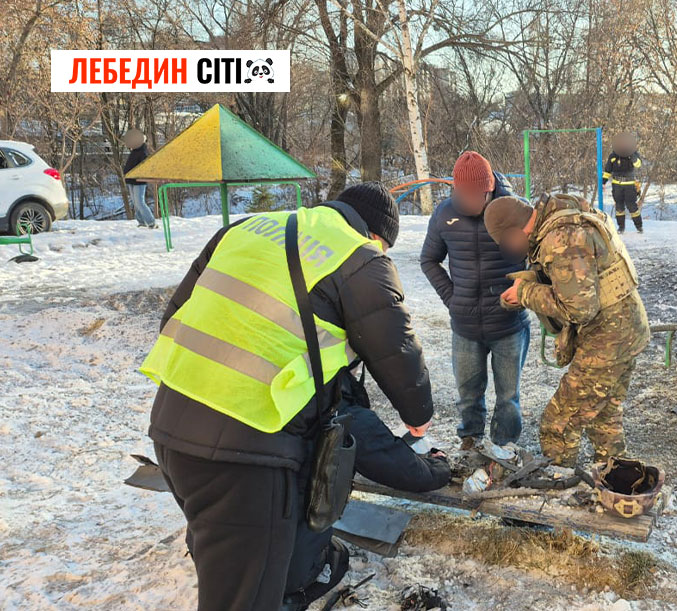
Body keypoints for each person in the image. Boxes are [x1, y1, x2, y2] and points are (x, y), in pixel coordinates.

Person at [140, 182, 449, 610]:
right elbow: (396, 346)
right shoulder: (359, 257)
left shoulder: (246, 228)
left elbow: (175, 316)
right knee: (248, 598)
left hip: (172, 425)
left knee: (226, 560)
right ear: (376, 236)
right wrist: (419, 416)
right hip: (247, 454)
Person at [483, 193, 651, 467]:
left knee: (558, 424)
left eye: (505, 243)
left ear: (514, 232)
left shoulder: (560, 239)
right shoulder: (566, 212)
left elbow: (579, 309)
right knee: (603, 416)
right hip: (624, 331)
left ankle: (559, 493)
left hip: (607, 340)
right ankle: (614, 485)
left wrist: (525, 293)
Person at [420, 152, 530, 451]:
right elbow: (429, 260)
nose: (468, 202)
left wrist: (525, 283)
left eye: (475, 195)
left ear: (490, 186)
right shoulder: (444, 214)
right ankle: (470, 441)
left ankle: (504, 448)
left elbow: (540, 259)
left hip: (508, 323)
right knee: (468, 393)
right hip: (465, 326)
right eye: (462, 194)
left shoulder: (516, 211)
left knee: (508, 397)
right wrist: (453, 299)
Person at [602, 132, 644, 234]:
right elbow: (608, 170)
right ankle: (621, 227)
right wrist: (603, 182)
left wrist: (631, 155)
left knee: (632, 206)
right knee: (619, 207)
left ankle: (639, 227)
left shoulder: (634, 154)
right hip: (617, 185)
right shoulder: (613, 156)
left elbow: (638, 164)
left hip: (629, 185)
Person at [122, 129, 157, 228]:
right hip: (131, 180)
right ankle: (141, 222)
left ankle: (151, 222)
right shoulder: (135, 151)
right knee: (135, 203)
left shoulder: (143, 151)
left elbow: (144, 166)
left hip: (138, 181)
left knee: (140, 202)